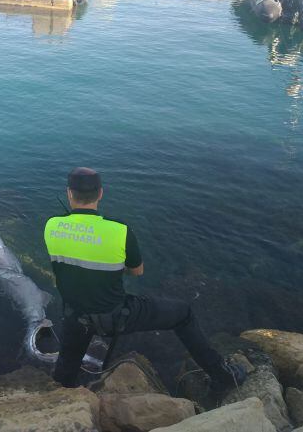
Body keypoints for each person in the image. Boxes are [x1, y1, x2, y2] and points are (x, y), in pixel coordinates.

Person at [44, 167, 246, 391]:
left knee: (67, 366)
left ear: (69, 193)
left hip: (76, 316)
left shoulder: (51, 226)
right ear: (101, 193)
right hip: (116, 316)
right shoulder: (120, 231)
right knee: (184, 314)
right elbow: (136, 271)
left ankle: (63, 396)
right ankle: (224, 376)